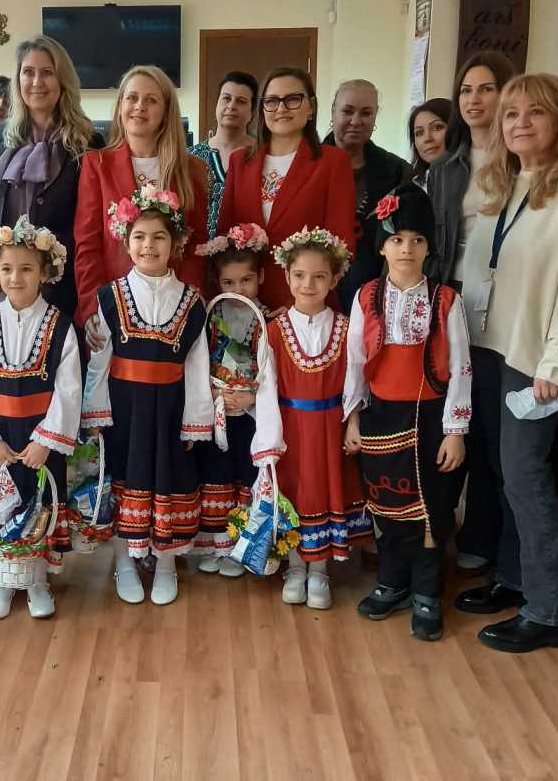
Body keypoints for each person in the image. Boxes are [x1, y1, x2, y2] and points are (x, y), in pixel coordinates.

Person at [454, 74, 558, 653]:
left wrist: (557, 362)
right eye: (511, 113)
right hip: (485, 346)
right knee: (498, 469)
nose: (520, 123)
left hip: (532, 357)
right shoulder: (502, 179)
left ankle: (549, 612)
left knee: (525, 475)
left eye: (535, 112)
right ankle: (514, 578)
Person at [344, 185, 471, 641]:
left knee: (431, 511)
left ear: (429, 247)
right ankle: (392, 582)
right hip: (381, 418)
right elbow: (355, 362)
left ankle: (427, 592)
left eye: (417, 240)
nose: (406, 249)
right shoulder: (365, 297)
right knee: (388, 507)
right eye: (397, 239)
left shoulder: (445, 300)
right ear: (382, 245)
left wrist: (455, 431)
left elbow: (461, 368)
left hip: (431, 420)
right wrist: (353, 418)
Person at [82, 187, 213, 605]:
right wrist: (95, 412)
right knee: (124, 480)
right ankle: (124, 561)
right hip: (125, 409)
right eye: (139, 236)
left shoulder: (192, 302)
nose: (148, 245)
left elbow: (198, 366)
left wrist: (196, 421)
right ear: (126, 241)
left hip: (171, 410)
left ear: (175, 244)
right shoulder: (109, 296)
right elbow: (100, 360)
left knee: (168, 479)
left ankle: (167, 562)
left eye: (159, 237)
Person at [425, 50, 517, 576]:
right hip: (452, 299)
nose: (475, 99)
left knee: (493, 428)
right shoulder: (445, 168)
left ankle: (488, 537)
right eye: (466, 90)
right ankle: (440, 533)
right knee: (455, 416)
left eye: (487, 88)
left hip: (507, 304)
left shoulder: (525, 163)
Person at [0, 217, 82, 620]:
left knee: (39, 507)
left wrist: (46, 441)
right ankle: (2, 580)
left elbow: (68, 389)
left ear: (45, 273)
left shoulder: (61, 326)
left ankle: (36, 581)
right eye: (7, 269)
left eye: (27, 269)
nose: (16, 278)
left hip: (38, 441)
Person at [252, 227, 371, 609]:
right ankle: (295, 568)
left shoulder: (346, 328)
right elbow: (266, 388)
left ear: (334, 280)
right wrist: (269, 441)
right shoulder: (273, 331)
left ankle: (320, 572)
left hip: (329, 428)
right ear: (286, 276)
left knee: (324, 490)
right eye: (300, 275)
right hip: (290, 429)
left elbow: (356, 380)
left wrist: (353, 423)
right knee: (294, 493)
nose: (308, 284)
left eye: (319, 276)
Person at [0, 35, 100, 323]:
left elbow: (90, 224)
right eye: (28, 72)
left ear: (63, 80)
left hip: (58, 288)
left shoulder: (87, 141)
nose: (37, 82)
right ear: (18, 80)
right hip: (1, 286)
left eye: (47, 72)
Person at [75, 65, 210, 330]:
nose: (139, 106)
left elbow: (197, 244)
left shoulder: (192, 169)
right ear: (120, 106)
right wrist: (93, 307)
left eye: (151, 100)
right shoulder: (96, 164)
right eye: (132, 98)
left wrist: (189, 302)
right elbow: (87, 245)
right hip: (112, 308)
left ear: (166, 111)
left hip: (173, 309)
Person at [218, 67, 357, 311]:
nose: (281, 108)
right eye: (271, 101)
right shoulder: (240, 161)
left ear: (311, 106)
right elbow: (225, 236)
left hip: (307, 305)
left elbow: (341, 245)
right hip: (245, 305)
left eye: (292, 99)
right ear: (262, 108)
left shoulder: (333, 162)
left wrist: (297, 304)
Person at [191, 222, 270, 575]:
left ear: (261, 277)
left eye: (246, 280)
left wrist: (251, 396)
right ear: (217, 283)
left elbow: (271, 373)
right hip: (217, 412)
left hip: (250, 416)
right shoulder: (210, 318)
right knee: (216, 477)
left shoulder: (268, 321)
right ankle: (218, 546)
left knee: (245, 475)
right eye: (229, 282)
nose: (238, 289)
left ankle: (242, 547)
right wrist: (211, 393)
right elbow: (197, 363)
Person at [324, 79, 411, 301]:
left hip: (376, 295)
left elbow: (405, 238)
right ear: (333, 113)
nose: (356, 121)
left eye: (366, 113)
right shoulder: (308, 165)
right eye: (347, 111)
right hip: (314, 292)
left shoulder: (397, 171)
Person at [189, 71, 258, 233]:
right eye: (226, 98)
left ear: (252, 113)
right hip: (198, 245)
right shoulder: (191, 157)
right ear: (217, 104)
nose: (231, 106)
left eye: (241, 101)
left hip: (249, 246)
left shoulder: (262, 156)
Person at [407, 98, 452, 187]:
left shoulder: (477, 178)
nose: (427, 138)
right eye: (419, 133)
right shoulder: (410, 188)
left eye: (437, 127)